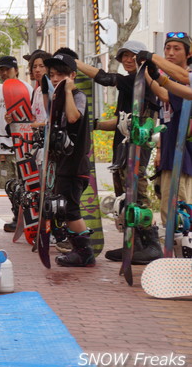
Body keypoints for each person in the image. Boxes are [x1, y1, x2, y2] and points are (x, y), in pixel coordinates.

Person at [75, 41, 162, 263]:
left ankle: (151, 245)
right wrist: (93, 124)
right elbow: (121, 122)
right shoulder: (130, 85)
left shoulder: (140, 79)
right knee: (124, 196)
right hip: (123, 146)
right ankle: (133, 245)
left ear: (142, 59)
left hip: (138, 147)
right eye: (123, 56)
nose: (127, 59)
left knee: (138, 193)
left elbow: (104, 78)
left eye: (132, 55)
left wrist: (75, 63)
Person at [43, 53, 96, 267]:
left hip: (75, 166)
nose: (55, 78)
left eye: (61, 74)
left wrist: (67, 90)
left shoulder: (77, 96)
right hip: (62, 165)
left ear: (72, 75)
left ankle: (84, 252)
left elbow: (74, 118)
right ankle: (79, 249)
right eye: (52, 74)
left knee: (71, 208)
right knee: (64, 208)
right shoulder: (59, 99)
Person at [142, 32, 192, 233]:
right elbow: (165, 117)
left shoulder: (185, 79)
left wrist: (149, 69)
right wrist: (161, 150)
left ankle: (184, 259)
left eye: (177, 48)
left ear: (189, 54)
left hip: (184, 156)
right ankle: (174, 256)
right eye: (167, 48)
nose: (170, 53)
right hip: (170, 154)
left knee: (180, 213)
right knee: (167, 212)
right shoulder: (170, 79)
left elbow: (166, 94)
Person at [0, 55, 33, 233]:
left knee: (24, 183)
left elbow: (32, 116)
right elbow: (2, 114)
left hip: (21, 145)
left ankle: (25, 216)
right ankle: (16, 215)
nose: (4, 73)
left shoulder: (27, 88)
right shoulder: (0, 90)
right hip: (3, 144)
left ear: (16, 70)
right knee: (9, 184)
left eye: (8, 69)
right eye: (1, 70)